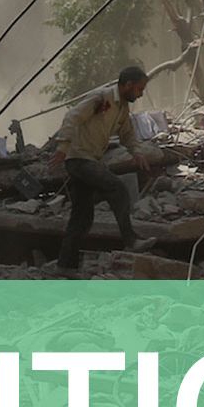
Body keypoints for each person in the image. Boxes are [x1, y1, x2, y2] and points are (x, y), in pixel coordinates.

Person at [52, 65, 157, 270]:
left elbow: (127, 134)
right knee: (117, 188)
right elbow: (72, 116)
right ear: (128, 85)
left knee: (82, 218)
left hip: (91, 160)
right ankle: (131, 240)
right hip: (79, 159)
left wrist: (136, 152)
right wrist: (62, 147)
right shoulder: (101, 98)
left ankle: (65, 266)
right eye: (139, 88)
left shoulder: (122, 108)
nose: (141, 93)